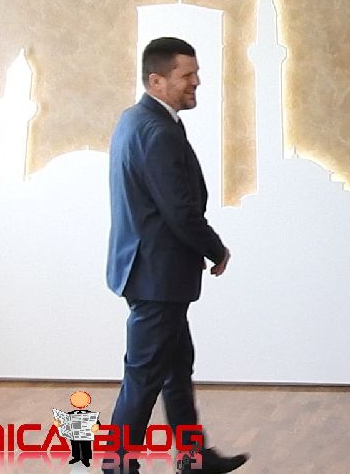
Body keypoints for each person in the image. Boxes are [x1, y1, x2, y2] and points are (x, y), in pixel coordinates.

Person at [104, 36, 248, 474]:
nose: (196, 82)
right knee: (144, 376)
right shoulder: (158, 131)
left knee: (176, 368)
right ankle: (115, 466)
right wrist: (216, 249)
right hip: (157, 278)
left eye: (196, 73)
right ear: (157, 80)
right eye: (187, 75)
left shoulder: (136, 120)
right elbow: (180, 210)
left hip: (149, 271)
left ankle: (193, 458)